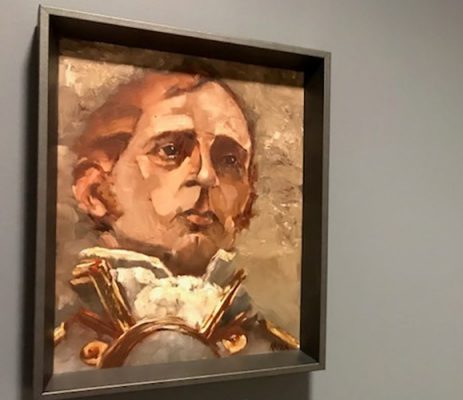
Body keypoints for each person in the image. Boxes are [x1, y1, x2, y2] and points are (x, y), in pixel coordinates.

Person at [53, 71, 298, 372]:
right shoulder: (55, 358)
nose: (207, 175)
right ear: (95, 190)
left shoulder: (277, 355)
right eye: (170, 150)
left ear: (249, 195)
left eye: (230, 159)